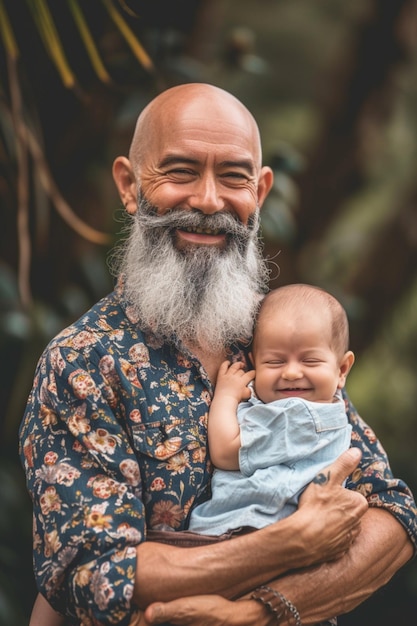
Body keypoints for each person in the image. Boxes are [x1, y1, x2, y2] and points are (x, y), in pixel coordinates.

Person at [19, 83, 416, 626]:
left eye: (233, 177)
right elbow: (99, 573)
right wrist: (290, 544)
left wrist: (258, 614)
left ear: (261, 192)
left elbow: (393, 518)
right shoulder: (84, 363)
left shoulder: (281, 339)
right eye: (180, 171)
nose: (209, 201)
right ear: (129, 186)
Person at [188, 284, 355, 537]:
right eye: (274, 362)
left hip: (250, 529)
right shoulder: (323, 408)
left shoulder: (300, 417)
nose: (291, 373)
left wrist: (226, 395)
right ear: (254, 362)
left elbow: (225, 452)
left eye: (310, 361)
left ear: (341, 370)